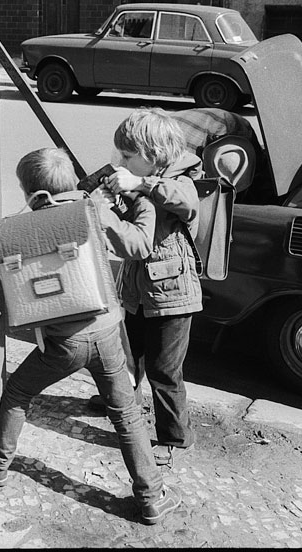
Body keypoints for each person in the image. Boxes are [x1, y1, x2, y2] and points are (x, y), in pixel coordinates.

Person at [0, 148, 182, 526]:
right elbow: (131, 243)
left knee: (18, 392)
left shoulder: (26, 225)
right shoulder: (94, 210)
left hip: (62, 343)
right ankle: (151, 497)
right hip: (106, 333)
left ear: (27, 189)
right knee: (126, 414)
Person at [89, 107, 204, 471]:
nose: (119, 161)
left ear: (153, 158)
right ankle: (127, 404)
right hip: (137, 290)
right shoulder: (137, 177)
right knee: (129, 357)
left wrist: (140, 185)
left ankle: (174, 436)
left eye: (127, 156)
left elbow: (186, 204)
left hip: (173, 296)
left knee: (164, 370)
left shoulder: (180, 179)